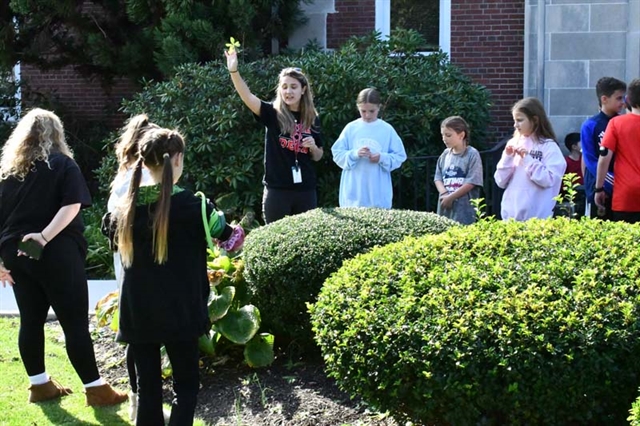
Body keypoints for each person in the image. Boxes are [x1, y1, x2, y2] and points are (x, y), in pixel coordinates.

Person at [106, 127, 244, 426]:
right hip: (182, 309)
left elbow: (112, 237)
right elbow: (231, 240)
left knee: (148, 390)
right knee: (186, 387)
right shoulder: (198, 207)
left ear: (143, 161)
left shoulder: (122, 209)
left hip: (139, 309)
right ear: (178, 159)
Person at [0, 108, 127, 406]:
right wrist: (43, 237)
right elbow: (72, 206)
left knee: (30, 320)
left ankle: (39, 386)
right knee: (73, 322)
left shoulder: (8, 174)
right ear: (57, 134)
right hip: (51, 249)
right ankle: (96, 389)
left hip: (17, 251)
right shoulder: (62, 164)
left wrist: (1, 260)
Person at [225, 49, 323, 224]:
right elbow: (247, 96)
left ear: (303, 90)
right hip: (277, 191)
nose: (288, 92)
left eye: (293, 87)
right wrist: (234, 71)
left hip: (305, 191)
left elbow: (318, 156)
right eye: (284, 87)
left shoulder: (312, 118)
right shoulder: (272, 113)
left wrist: (313, 147)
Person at [107, 114, 160, 422]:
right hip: (135, 262)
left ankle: (140, 404)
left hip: (130, 262)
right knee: (138, 335)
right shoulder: (133, 177)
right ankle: (140, 405)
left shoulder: (126, 174)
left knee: (138, 333)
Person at [331, 88, 407, 208]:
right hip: (353, 191)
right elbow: (337, 153)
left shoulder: (387, 129)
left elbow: (400, 156)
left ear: (379, 107)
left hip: (378, 190)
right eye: (363, 111)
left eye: (372, 111)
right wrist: (355, 154)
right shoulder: (351, 128)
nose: (367, 115)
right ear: (358, 108)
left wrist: (382, 157)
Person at [494, 97, 567, 221]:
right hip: (510, 218)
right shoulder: (513, 142)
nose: (515, 125)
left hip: (537, 220)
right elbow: (500, 181)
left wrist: (529, 160)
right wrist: (507, 158)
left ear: (535, 120)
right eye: (514, 120)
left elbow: (549, 180)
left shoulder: (548, 146)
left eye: (520, 120)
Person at [594, 78, 640, 223]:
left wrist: (599, 189)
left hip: (625, 195)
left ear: (629, 100)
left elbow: (604, 157)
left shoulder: (616, 123)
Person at [580, 77, 627, 218]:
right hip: (600, 188)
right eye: (619, 98)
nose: (623, 102)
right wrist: (610, 182)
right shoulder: (590, 125)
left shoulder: (622, 123)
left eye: (624, 98)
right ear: (604, 99)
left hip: (621, 189)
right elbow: (590, 160)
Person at [434, 116, 483, 224]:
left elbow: (471, 181)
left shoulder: (472, 154)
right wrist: (444, 194)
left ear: (461, 135)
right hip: (445, 208)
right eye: (442, 135)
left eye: (448, 135)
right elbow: (438, 178)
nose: (444, 138)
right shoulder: (445, 154)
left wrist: (451, 197)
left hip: (464, 211)